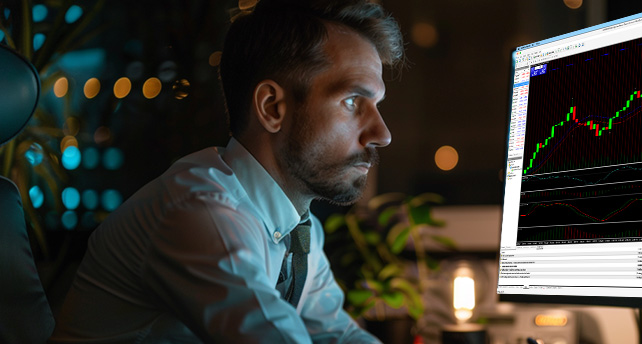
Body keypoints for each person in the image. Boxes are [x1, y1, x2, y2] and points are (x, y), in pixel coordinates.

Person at [50, 0, 403, 342]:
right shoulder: (200, 212)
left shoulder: (297, 231)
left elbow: (336, 335)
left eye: (378, 105)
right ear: (272, 107)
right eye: (352, 102)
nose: (382, 134)